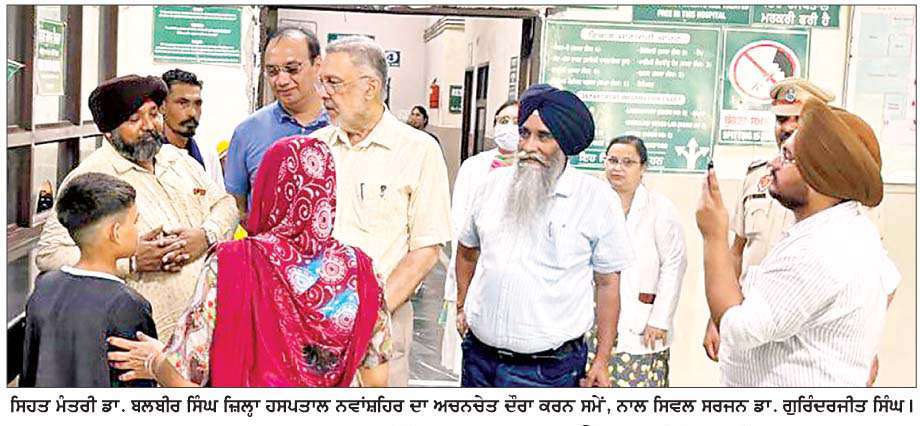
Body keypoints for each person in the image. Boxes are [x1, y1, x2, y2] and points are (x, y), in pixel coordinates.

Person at [106, 136, 392, 387]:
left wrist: (154, 362)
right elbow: (376, 380)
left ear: (269, 188)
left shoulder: (232, 263)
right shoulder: (362, 270)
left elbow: (184, 378)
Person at [695, 97, 898, 386]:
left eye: (787, 157)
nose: (774, 164)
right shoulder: (849, 227)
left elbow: (737, 331)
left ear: (820, 175)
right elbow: (890, 280)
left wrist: (713, 234)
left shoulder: (821, 248)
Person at [35, 75, 239, 341]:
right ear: (108, 132)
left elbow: (226, 205)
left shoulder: (178, 160)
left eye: (153, 114)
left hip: (208, 326)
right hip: (145, 338)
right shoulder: (90, 178)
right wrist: (129, 261)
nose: (149, 126)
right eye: (134, 119)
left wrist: (205, 235)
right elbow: (50, 255)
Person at [455, 84, 633, 387]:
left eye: (543, 136)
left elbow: (607, 284)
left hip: (549, 371)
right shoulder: (491, 186)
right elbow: (466, 250)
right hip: (479, 360)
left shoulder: (595, 199)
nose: (529, 145)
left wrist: (602, 360)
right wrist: (462, 305)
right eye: (524, 133)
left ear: (564, 142)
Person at [310, 36, 451, 386]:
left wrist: (368, 313)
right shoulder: (315, 148)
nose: (324, 94)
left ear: (370, 87)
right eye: (321, 83)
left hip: (383, 321)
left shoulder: (418, 150)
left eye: (334, 83)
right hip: (312, 324)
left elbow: (426, 250)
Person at [21, 173, 157, 387]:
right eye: (135, 221)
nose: (138, 229)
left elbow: (29, 369)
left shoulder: (44, 287)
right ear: (116, 232)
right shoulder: (128, 305)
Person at [586, 135, 686, 387]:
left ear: (643, 168)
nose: (618, 168)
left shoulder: (660, 208)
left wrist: (660, 319)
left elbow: (674, 265)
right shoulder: (592, 203)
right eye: (612, 160)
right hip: (593, 320)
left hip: (642, 325)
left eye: (628, 162)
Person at [439, 100, 519, 375]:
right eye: (503, 121)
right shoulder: (474, 167)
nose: (509, 127)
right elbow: (459, 221)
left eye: (516, 121)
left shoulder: (533, 167)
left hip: (513, 273)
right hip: (472, 263)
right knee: (467, 355)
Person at [225, 27, 330, 224]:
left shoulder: (342, 128)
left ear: (317, 65)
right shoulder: (247, 132)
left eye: (292, 69)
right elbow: (235, 207)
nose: (281, 81)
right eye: (272, 71)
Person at [160, 68, 224, 189]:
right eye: (183, 103)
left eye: (197, 104)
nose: (192, 113)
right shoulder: (148, 154)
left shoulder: (207, 154)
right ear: (162, 106)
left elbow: (219, 198)